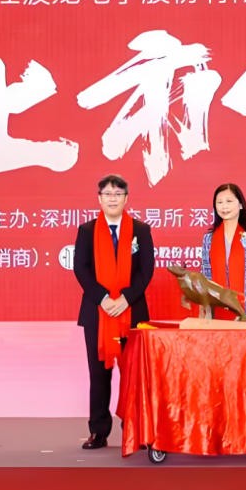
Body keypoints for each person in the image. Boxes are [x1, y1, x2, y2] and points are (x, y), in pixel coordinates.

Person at [73, 174, 155, 449]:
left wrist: (126, 299)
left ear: (126, 198)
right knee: (99, 375)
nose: (112, 198)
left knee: (133, 374)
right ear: (99, 198)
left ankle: (135, 428)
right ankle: (99, 431)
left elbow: (146, 270)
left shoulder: (141, 230)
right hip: (98, 315)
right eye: (107, 194)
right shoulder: (87, 230)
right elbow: (81, 269)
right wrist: (103, 299)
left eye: (118, 194)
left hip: (132, 314)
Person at [201, 184, 246, 326]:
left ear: (240, 204)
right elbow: (206, 276)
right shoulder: (209, 239)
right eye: (219, 202)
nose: (224, 206)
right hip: (217, 310)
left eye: (229, 201)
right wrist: (204, 308)